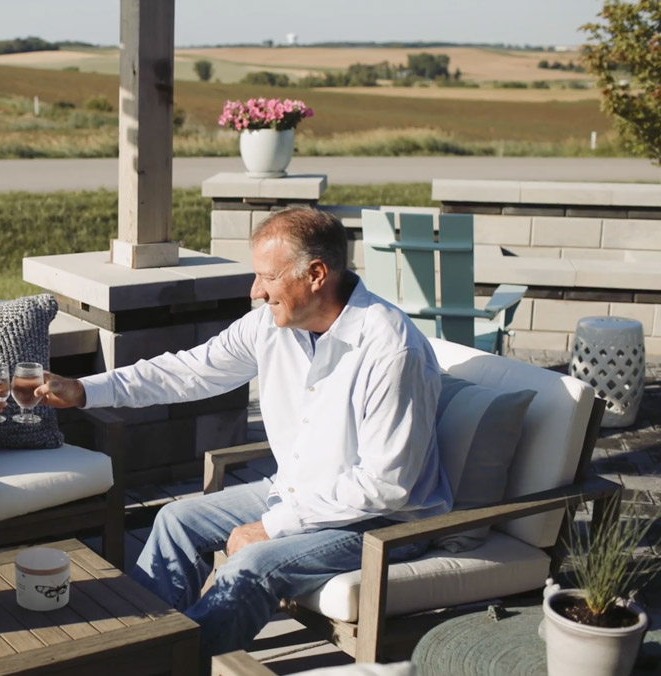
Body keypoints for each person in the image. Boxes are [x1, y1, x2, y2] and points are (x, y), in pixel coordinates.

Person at [36, 206, 452, 661]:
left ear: (316, 274)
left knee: (253, 563)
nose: (256, 291)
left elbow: (385, 486)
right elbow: (187, 371)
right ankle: (135, 643)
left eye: (267, 277)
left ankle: (166, 666)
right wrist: (83, 390)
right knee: (177, 522)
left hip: (387, 522)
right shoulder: (273, 327)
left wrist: (271, 527)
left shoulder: (392, 350)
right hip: (303, 493)